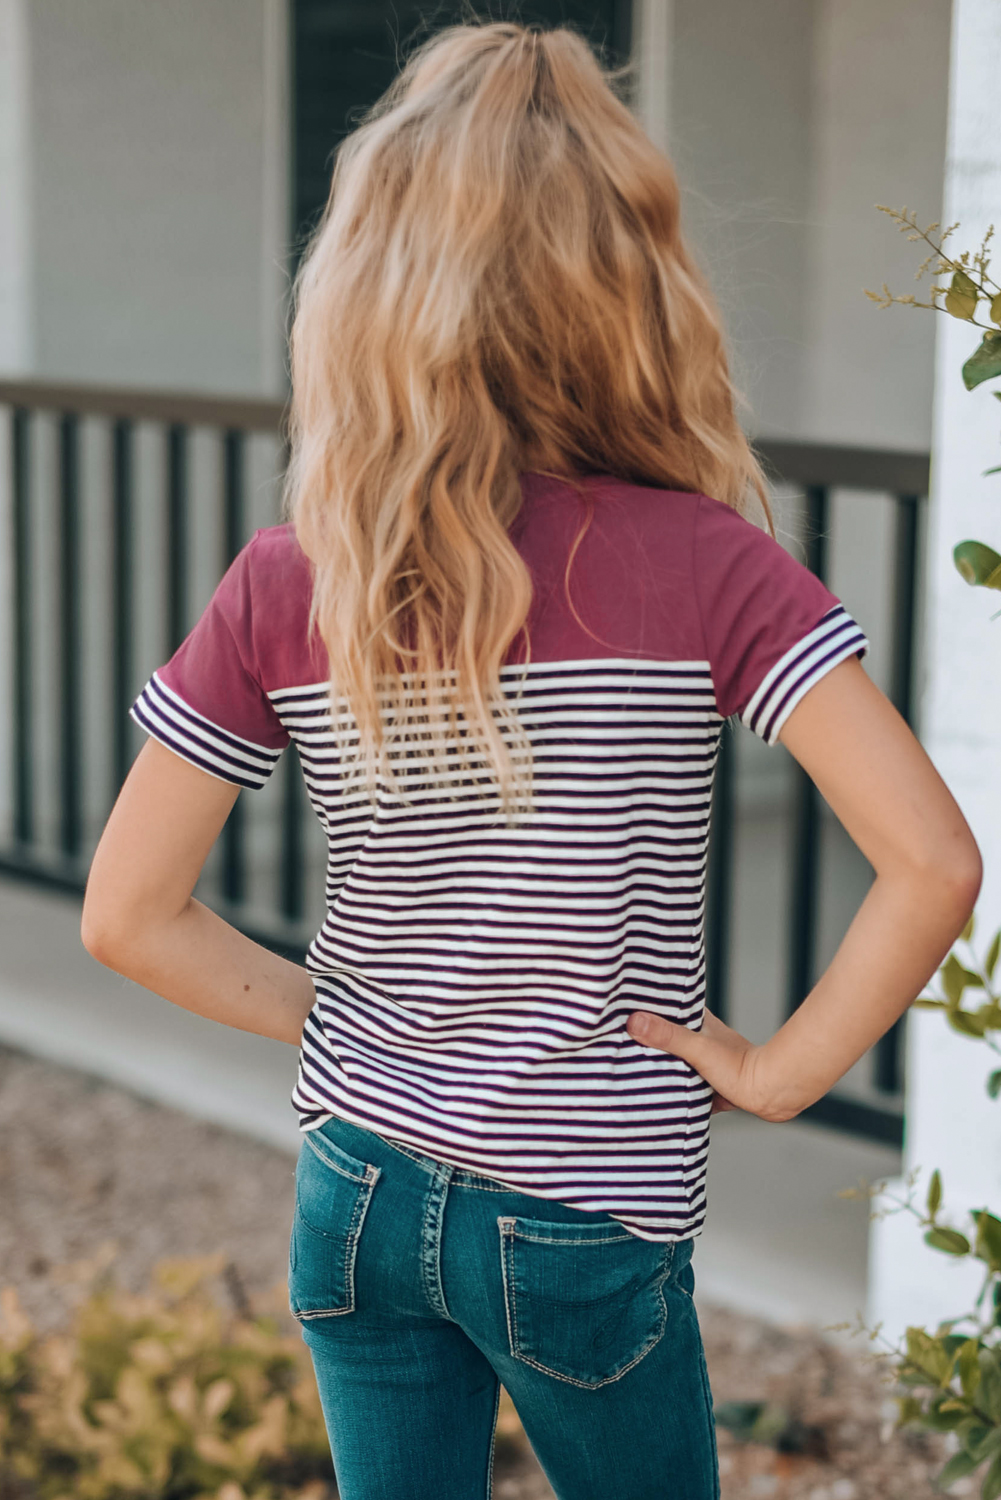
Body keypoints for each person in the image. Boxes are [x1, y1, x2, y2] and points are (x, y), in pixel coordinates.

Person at [81, 20, 981, 1500]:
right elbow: (932, 860)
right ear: (627, 286)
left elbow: (126, 914)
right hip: (585, 1216)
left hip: (354, 1183)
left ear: (363, 287)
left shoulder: (294, 578)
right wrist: (773, 1073)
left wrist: (353, 1017)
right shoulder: (710, 565)